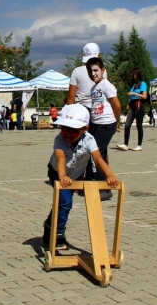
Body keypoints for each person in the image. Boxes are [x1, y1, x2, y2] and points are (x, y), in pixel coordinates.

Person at [41, 104, 119, 250]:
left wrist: (110, 175)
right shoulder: (59, 140)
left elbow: (97, 158)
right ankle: (59, 234)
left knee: (63, 202)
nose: (68, 133)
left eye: (73, 130)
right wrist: (62, 175)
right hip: (57, 172)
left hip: (75, 175)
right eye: (64, 128)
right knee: (65, 201)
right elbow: (60, 157)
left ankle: (50, 224)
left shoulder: (89, 139)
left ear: (85, 129)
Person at [85, 57, 121, 201]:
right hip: (95, 124)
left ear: (102, 70)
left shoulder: (107, 85)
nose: (93, 74)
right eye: (90, 71)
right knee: (99, 152)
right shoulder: (94, 88)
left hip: (106, 124)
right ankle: (103, 180)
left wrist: (116, 122)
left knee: (97, 152)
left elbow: (116, 106)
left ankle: (104, 188)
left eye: (95, 70)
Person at [117, 68, 148, 151]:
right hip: (132, 104)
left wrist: (134, 93)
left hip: (139, 105)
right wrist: (129, 103)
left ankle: (139, 145)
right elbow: (131, 96)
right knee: (127, 125)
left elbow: (144, 96)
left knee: (139, 125)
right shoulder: (133, 84)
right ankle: (125, 144)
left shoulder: (143, 83)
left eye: (133, 74)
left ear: (137, 74)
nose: (131, 75)